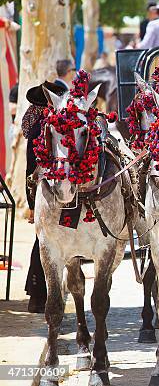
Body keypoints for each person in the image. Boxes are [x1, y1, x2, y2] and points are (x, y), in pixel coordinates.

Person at [22, 81, 67, 313]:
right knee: (45, 242)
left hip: (49, 192)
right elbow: (32, 170)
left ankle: (37, 294)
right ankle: (40, 293)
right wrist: (32, 205)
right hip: (48, 194)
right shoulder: (45, 126)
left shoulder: (47, 125)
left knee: (43, 242)